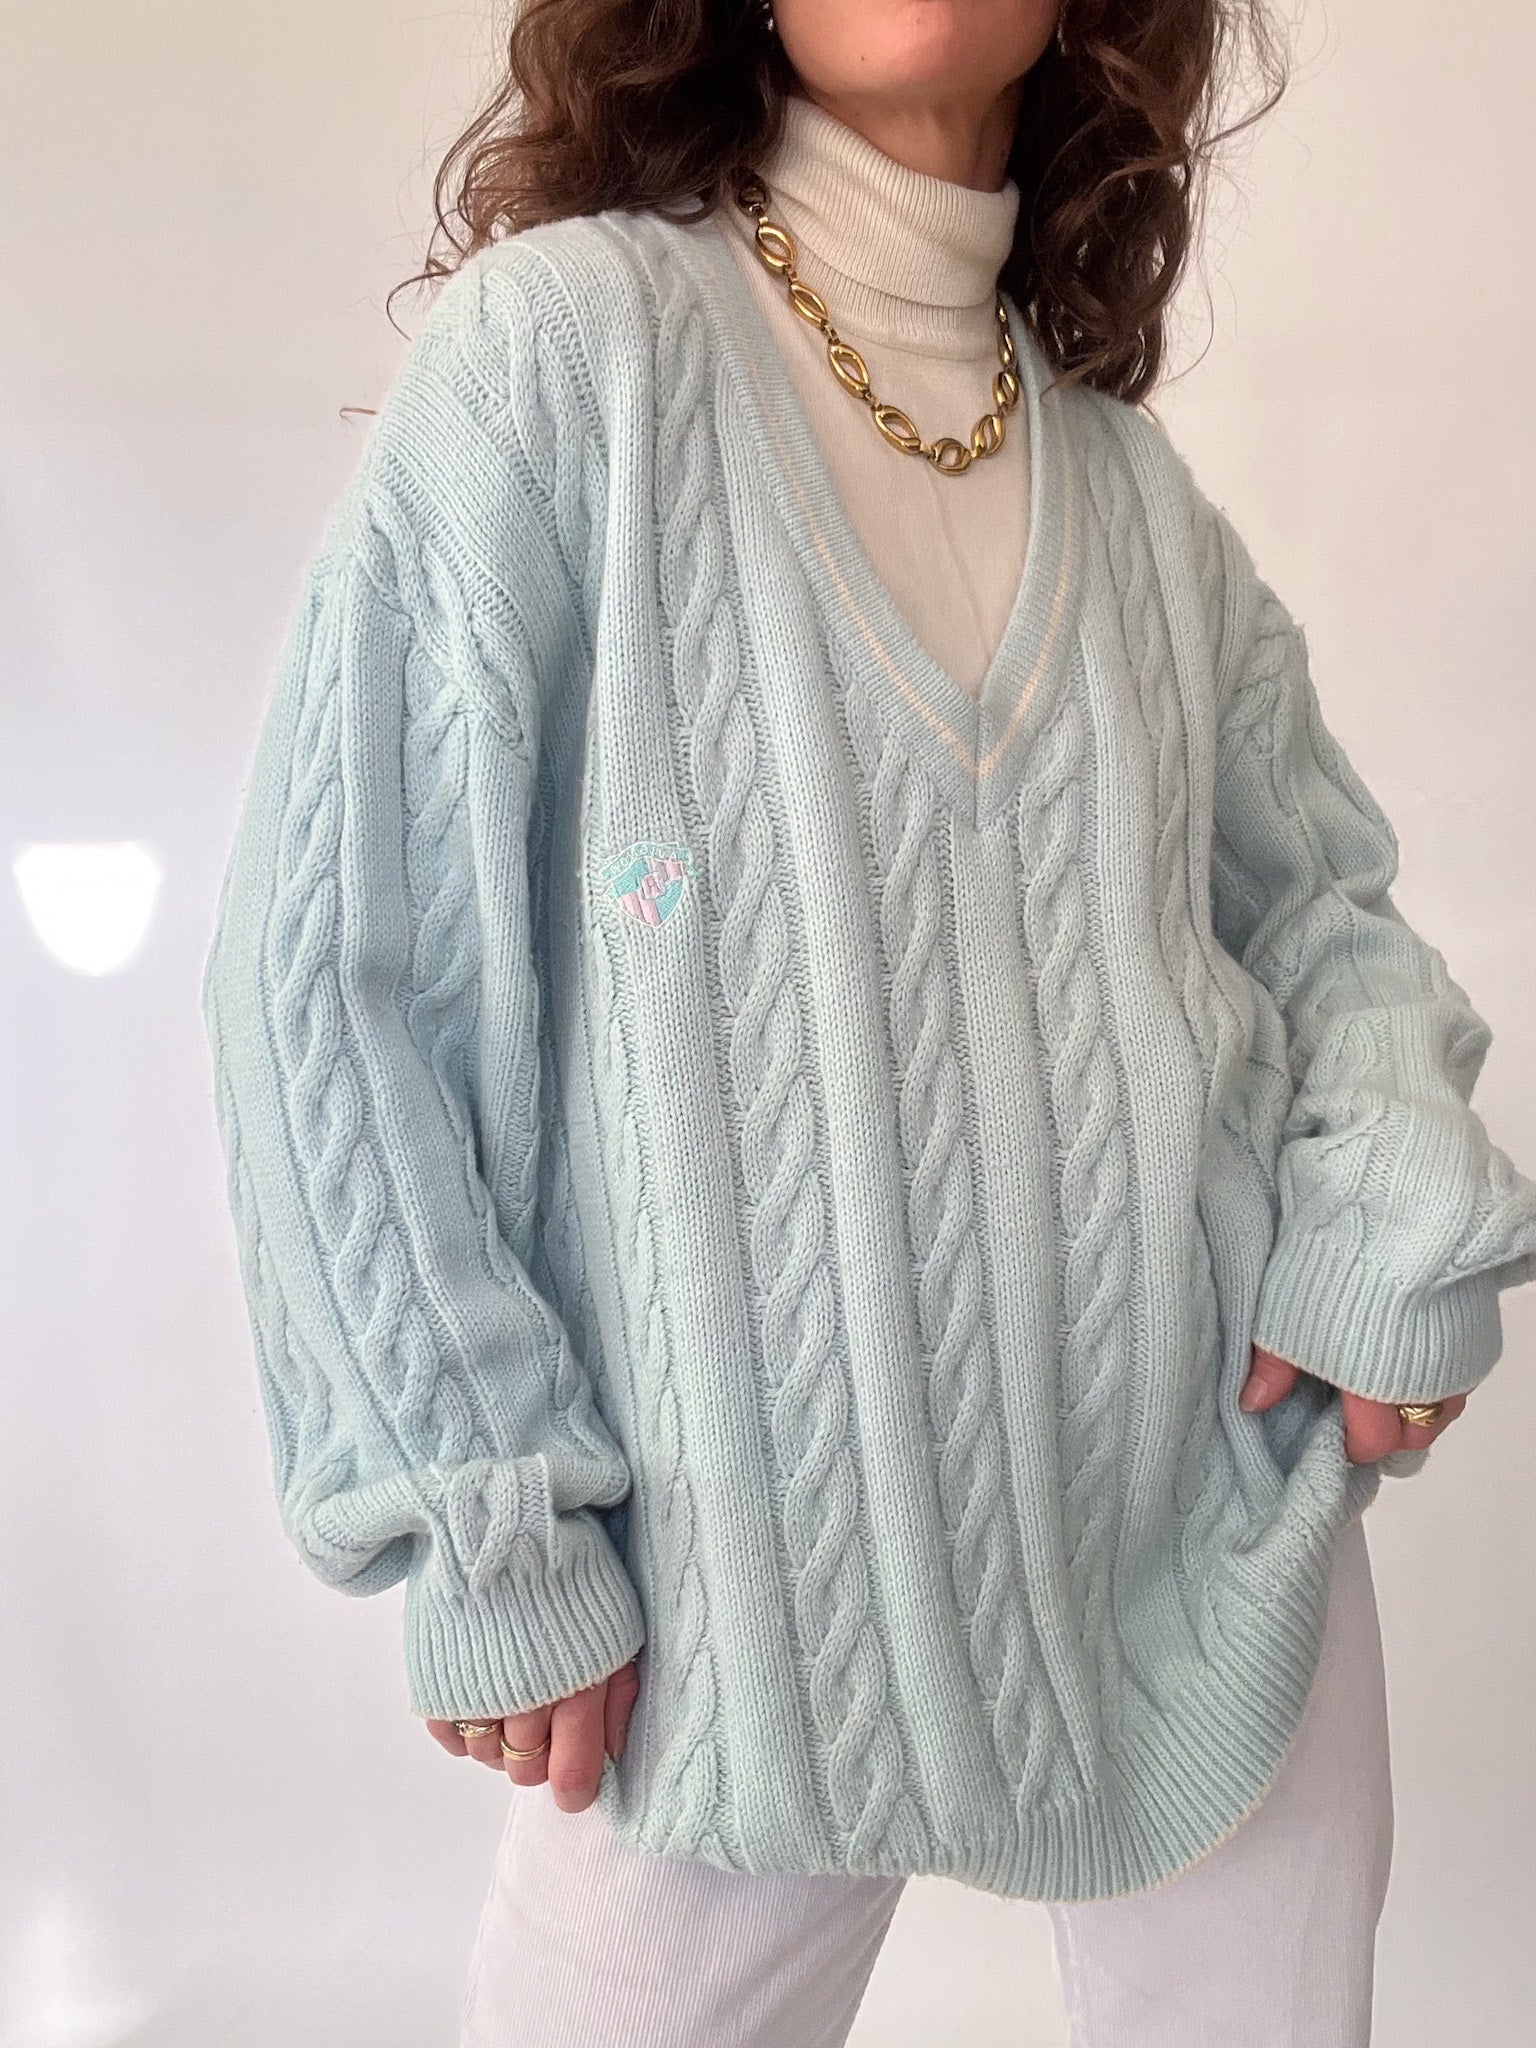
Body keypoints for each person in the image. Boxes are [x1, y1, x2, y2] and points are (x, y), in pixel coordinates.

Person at [201, 2, 1536, 2043]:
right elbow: (330, 963)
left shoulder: (1131, 496)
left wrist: (1388, 1226)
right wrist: (482, 1502)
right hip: (727, 1601)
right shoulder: (573, 360)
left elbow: (1327, 925)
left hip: (1213, 1555)